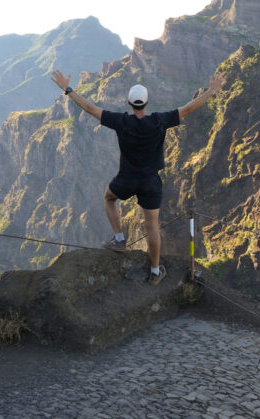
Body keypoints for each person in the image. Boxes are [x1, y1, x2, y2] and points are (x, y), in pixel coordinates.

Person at [50, 70, 221, 285]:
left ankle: (119, 238)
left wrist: (68, 89)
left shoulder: (121, 122)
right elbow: (189, 108)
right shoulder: (160, 121)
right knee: (152, 226)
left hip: (127, 179)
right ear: (146, 102)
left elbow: (89, 108)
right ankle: (156, 271)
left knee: (109, 198)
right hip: (151, 182)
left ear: (129, 103)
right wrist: (212, 91)